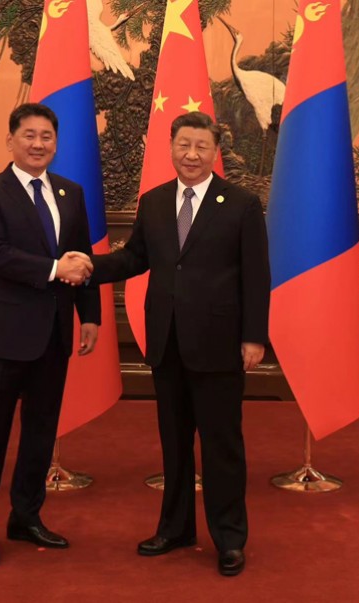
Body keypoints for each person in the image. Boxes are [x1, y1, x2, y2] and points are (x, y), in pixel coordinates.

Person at [75, 112, 270, 576]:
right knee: (174, 443)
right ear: (170, 148)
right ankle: (176, 528)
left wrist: (253, 337)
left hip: (220, 345)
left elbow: (256, 275)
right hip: (167, 342)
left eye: (202, 146)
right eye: (184, 145)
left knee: (222, 447)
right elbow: (135, 258)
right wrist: (90, 266)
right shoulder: (155, 201)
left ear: (215, 151)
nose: (192, 155)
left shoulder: (241, 204)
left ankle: (229, 538)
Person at [0, 103, 99, 567]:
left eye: (46, 137)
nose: (38, 144)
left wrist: (90, 315)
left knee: (41, 434)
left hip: (54, 335)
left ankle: (26, 516)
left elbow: (82, 256)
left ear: (56, 144)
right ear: (11, 141)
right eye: (29, 135)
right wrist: (54, 269)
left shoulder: (70, 193)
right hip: (3, 337)